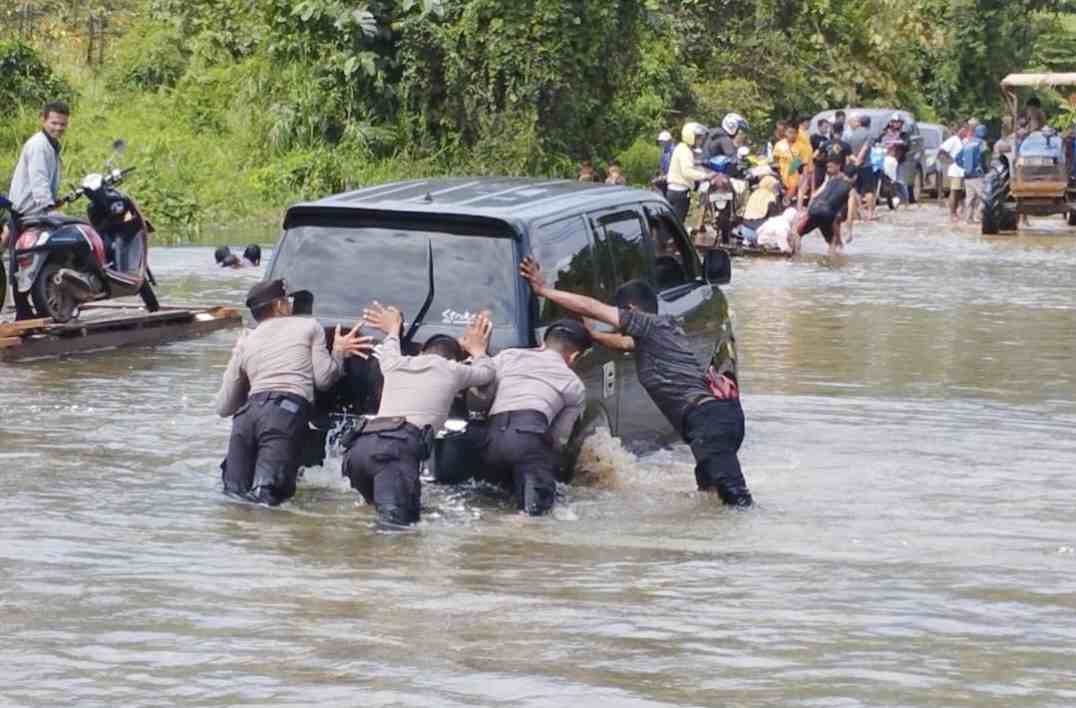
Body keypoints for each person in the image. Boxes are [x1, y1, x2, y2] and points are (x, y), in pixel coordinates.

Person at [517, 258, 753, 507]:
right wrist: (589, 334)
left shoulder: (648, 324)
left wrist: (543, 290)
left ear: (630, 309)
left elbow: (592, 306)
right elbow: (624, 343)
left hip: (707, 422)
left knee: (738, 503)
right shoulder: (663, 331)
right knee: (711, 500)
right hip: (719, 418)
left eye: (620, 314)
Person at [215, 279, 372, 505]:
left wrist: (237, 353)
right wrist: (338, 352)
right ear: (279, 306)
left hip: (246, 419)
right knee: (268, 500)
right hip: (283, 414)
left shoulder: (247, 340)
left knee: (233, 497)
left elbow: (224, 407)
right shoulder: (309, 326)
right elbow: (324, 379)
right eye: (288, 301)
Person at [342, 303, 495, 525]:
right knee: (396, 532)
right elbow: (487, 373)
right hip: (394, 453)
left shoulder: (395, 362)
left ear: (421, 351)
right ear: (456, 360)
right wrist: (479, 350)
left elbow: (391, 344)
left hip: (358, 450)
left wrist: (394, 328)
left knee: (376, 517)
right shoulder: (453, 370)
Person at [477, 320, 590, 515]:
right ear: (574, 356)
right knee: (535, 513)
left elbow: (482, 391)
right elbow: (558, 438)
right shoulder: (574, 385)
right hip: (528, 441)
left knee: (488, 503)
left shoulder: (508, 356)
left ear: (542, 344)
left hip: (489, 440)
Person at [7, 100, 69, 218]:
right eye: (54, 123)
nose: (59, 128)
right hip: (28, 213)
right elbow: (39, 181)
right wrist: (50, 210)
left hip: (36, 210)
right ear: (43, 120)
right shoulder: (39, 145)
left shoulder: (50, 143)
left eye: (63, 124)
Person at [797, 154, 858, 256]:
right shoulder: (851, 189)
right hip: (827, 213)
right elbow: (850, 213)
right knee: (832, 242)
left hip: (814, 209)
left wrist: (807, 213)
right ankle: (832, 265)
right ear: (855, 177)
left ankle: (794, 258)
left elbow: (815, 196)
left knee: (798, 234)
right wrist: (849, 231)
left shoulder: (830, 180)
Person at [666, 122, 713, 224]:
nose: (700, 141)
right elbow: (687, 171)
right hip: (680, 192)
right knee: (678, 224)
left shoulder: (681, 147)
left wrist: (699, 162)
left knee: (673, 223)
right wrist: (705, 176)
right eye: (698, 138)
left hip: (673, 191)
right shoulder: (685, 151)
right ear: (691, 137)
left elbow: (686, 164)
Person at [845, 114, 876, 220]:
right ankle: (870, 213)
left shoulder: (852, 134)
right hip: (865, 164)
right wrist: (859, 159)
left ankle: (861, 212)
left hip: (853, 165)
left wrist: (853, 162)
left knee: (856, 189)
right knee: (869, 190)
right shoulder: (869, 134)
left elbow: (848, 151)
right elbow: (865, 148)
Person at [958, 124, 988, 224]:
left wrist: (964, 167)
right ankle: (978, 216)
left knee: (970, 198)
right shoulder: (982, 143)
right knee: (984, 196)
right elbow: (984, 159)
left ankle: (968, 218)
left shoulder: (967, 143)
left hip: (967, 176)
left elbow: (957, 158)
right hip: (977, 176)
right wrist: (986, 171)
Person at [939, 126, 967, 223]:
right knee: (954, 192)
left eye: (966, 130)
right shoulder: (953, 140)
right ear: (958, 130)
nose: (964, 132)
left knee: (959, 193)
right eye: (962, 129)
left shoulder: (964, 141)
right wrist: (950, 159)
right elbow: (941, 150)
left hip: (963, 170)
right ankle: (952, 213)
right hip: (955, 170)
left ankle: (957, 212)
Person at [773, 123, 804, 204]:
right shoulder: (779, 145)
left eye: (795, 133)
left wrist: (790, 172)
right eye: (790, 132)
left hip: (795, 177)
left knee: (792, 188)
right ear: (785, 132)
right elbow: (776, 160)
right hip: (781, 175)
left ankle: (786, 201)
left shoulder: (801, 146)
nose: (792, 135)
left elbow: (801, 162)